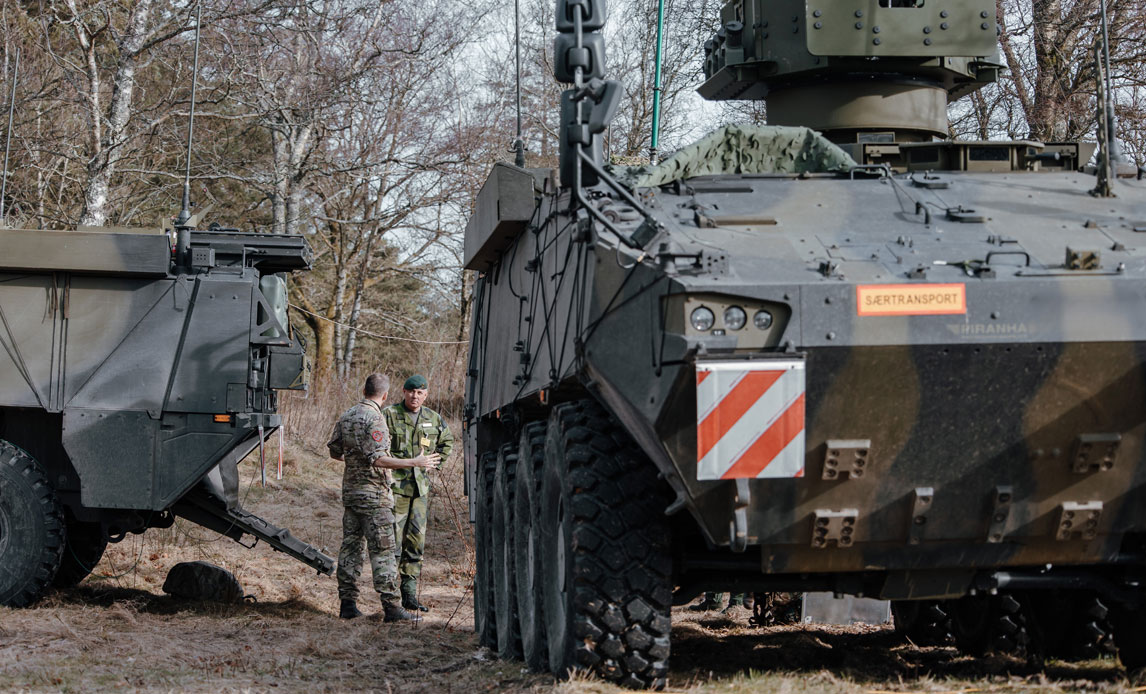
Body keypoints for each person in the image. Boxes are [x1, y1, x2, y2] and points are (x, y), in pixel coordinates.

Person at [327, 373, 440, 621]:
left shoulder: (347, 415)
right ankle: (391, 607)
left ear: (364, 389)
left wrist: (356, 462)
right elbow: (378, 458)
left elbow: (335, 451)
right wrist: (414, 461)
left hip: (351, 494)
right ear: (386, 395)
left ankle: (347, 605)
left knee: (350, 548)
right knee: (384, 552)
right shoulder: (376, 418)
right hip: (375, 496)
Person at [384, 374, 454, 612]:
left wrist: (436, 462)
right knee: (392, 542)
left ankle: (409, 594)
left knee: (415, 542)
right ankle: (390, 596)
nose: (415, 396)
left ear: (426, 395)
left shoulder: (433, 418)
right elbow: (378, 447)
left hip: (420, 490)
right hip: (395, 488)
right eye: (411, 391)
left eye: (420, 393)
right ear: (403, 392)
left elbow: (448, 441)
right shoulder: (389, 415)